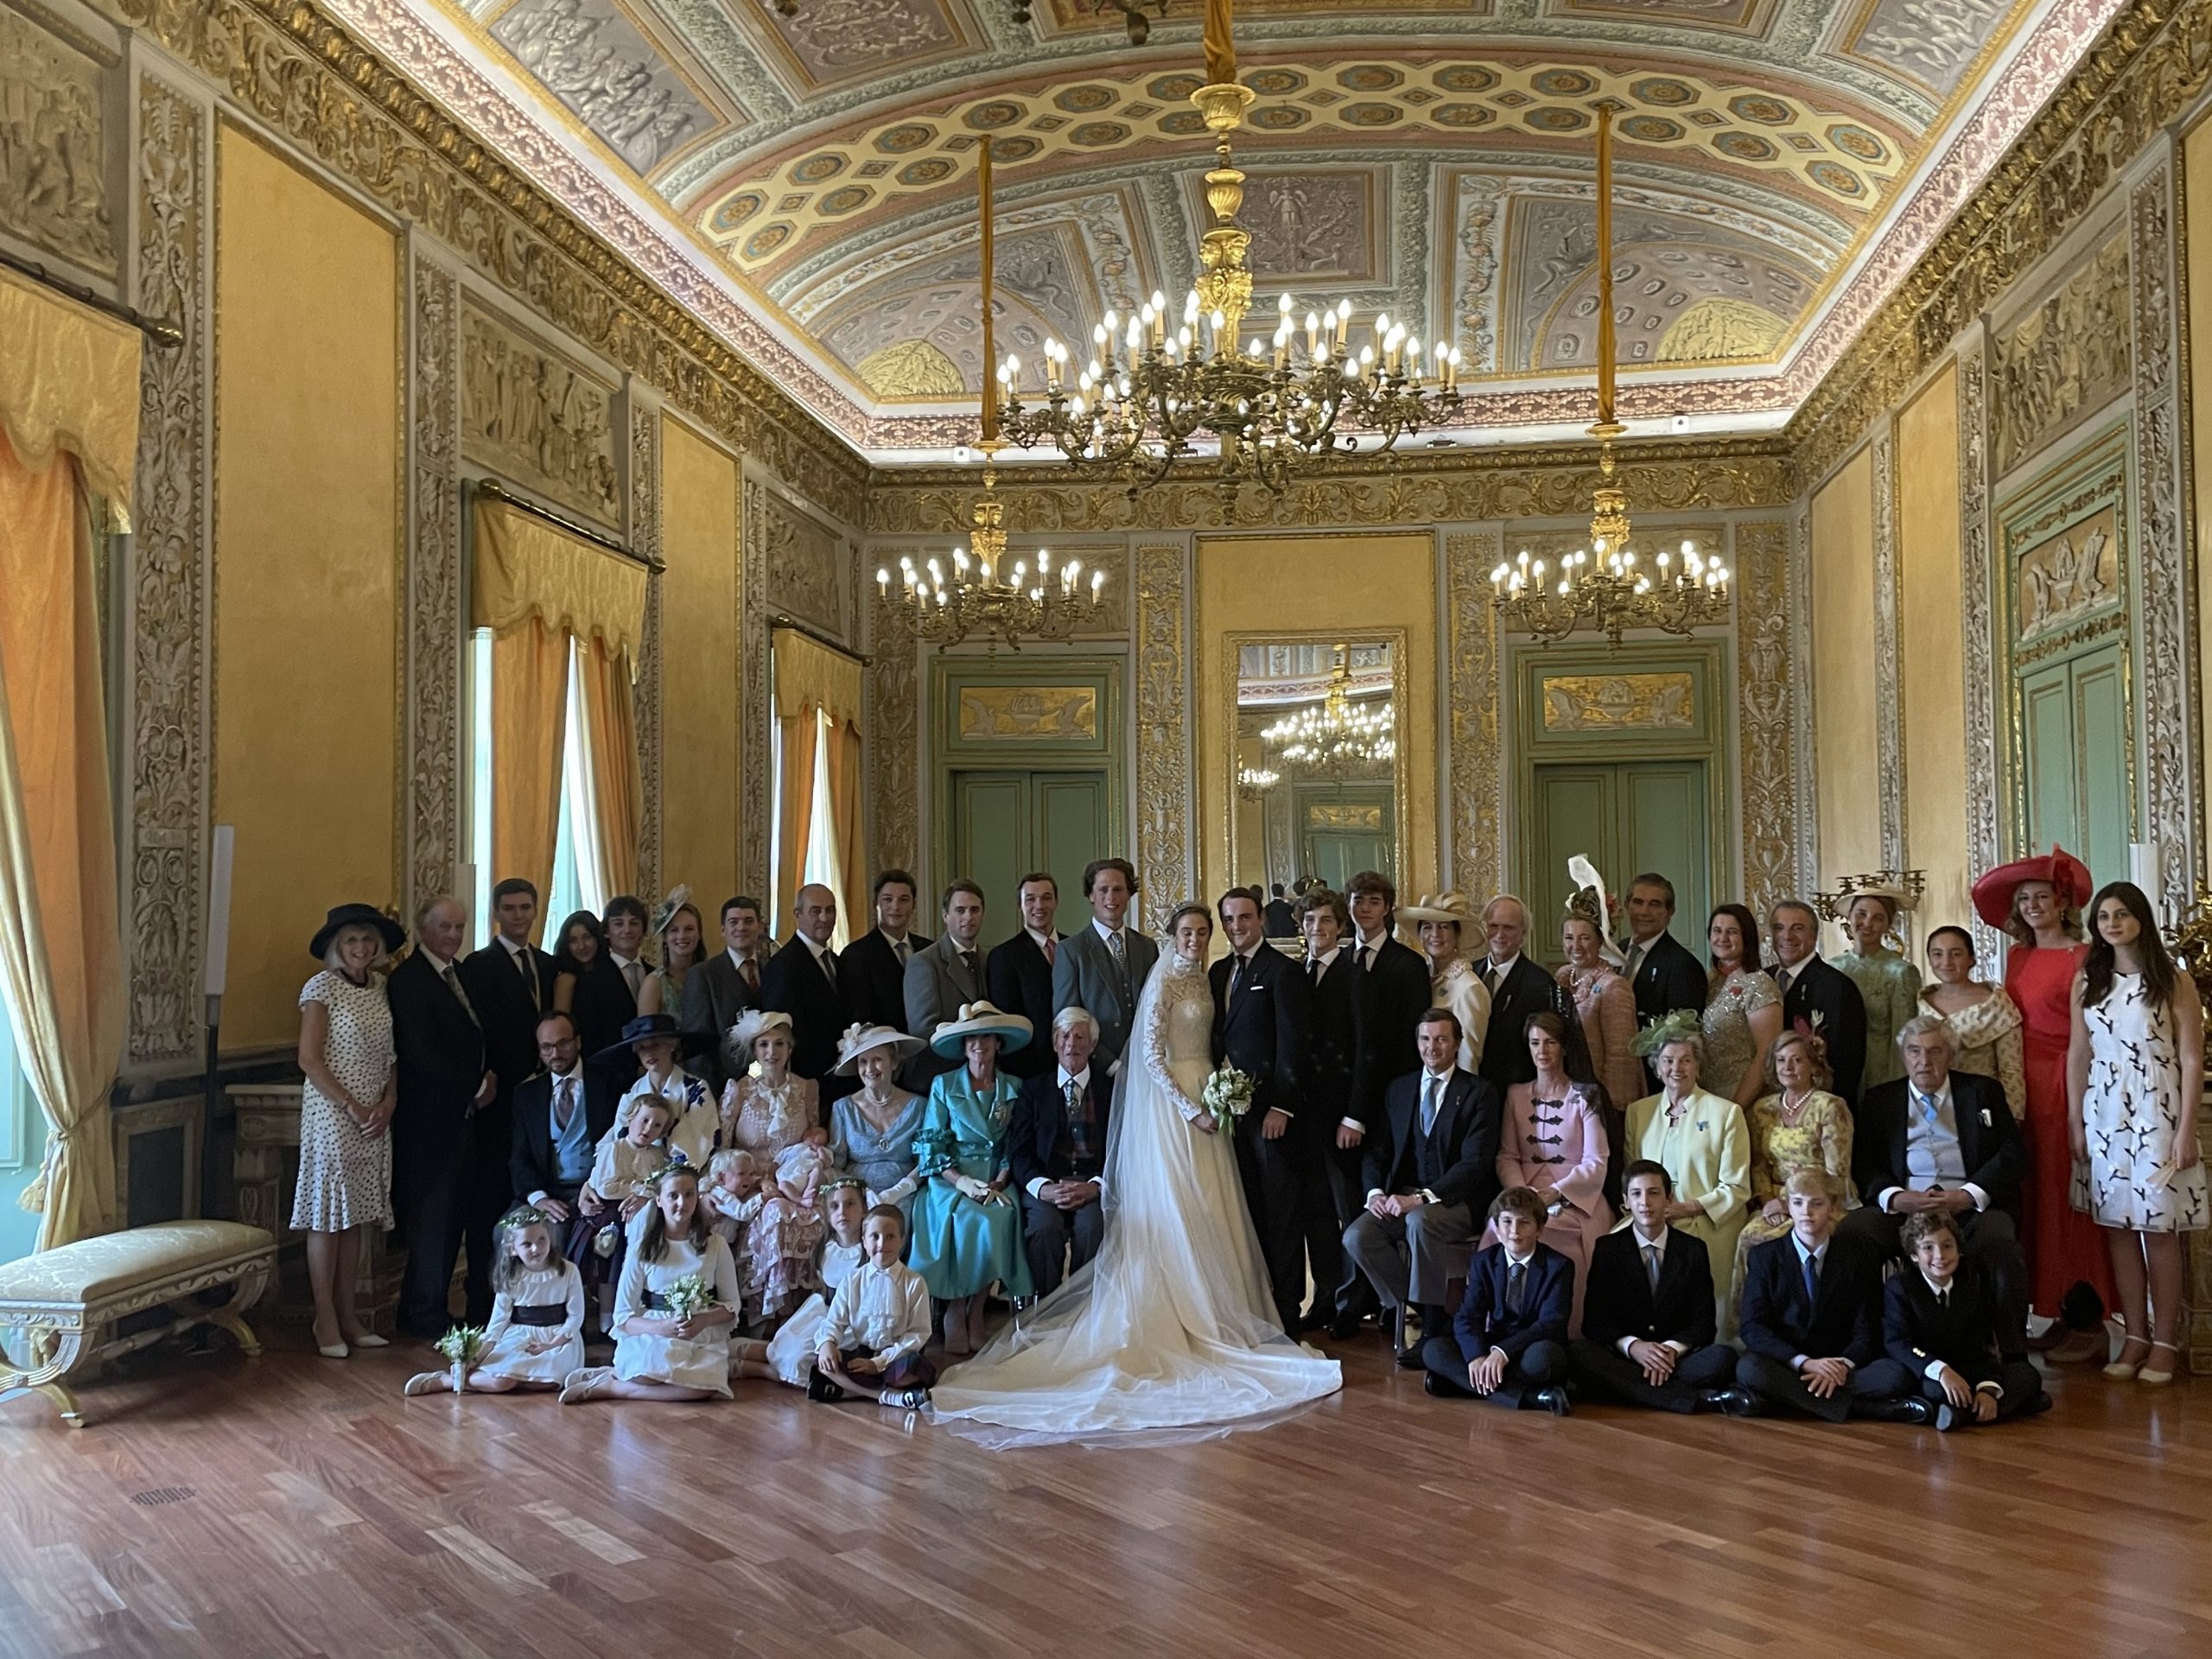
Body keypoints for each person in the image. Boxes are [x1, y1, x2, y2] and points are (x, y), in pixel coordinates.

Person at [927, 903, 1340, 1440]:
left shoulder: (1212, 976)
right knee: (1177, 1205)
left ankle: (1225, 1309)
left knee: (1213, 1207)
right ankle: (1179, 1310)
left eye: (1203, 932)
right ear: (1172, 936)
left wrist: (1219, 1093)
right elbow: (1149, 1056)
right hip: (1175, 1110)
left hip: (1210, 1099)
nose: (1195, 940)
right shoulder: (1165, 979)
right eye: (1187, 932)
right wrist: (1188, 1108)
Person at [1974, 844, 2111, 1357]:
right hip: (2018, 1083)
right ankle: (2055, 1309)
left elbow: (2086, 1037)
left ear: (2062, 903)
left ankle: (2089, 1317)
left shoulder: (2085, 955)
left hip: (2061, 1082)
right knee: (2031, 1199)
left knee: (2064, 1198)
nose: (2032, 906)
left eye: (2042, 897)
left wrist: (2076, 1110)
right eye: (2025, 899)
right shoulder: (2017, 955)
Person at [2069, 880, 2207, 1385]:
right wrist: (2075, 1121)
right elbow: (2078, 1053)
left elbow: (2191, 1057)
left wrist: (2186, 1129)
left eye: (2122, 914)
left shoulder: (2172, 979)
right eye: (2104, 916)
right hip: (2105, 1112)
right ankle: (2135, 1335)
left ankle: (2165, 1341)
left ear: (2140, 919)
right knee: (2119, 1228)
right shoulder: (2087, 980)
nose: (2113, 923)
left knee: (2158, 1228)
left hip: (2157, 1109)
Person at [1840, 1016, 2030, 1361]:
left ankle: (2012, 1356)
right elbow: (1864, 1163)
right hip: (1906, 1210)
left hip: (1968, 1207)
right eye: (1914, 1051)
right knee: (1853, 1233)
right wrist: (1895, 1197)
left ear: (1950, 1055)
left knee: (1999, 1243)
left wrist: (1969, 1195)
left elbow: (2013, 1155)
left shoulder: (1982, 1091)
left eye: (1934, 1052)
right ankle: (1864, 1346)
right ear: (1903, 1055)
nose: (1923, 1061)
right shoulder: (1881, 1099)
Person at [1343, 1008, 1502, 1364]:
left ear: (1457, 1044)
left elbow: (1475, 1164)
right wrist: (1375, 1194)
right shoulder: (1399, 1089)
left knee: (1420, 1221)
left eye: (1441, 1039)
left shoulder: (1480, 1093)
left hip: (1457, 1201)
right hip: (1402, 1197)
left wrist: (1421, 1199)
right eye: (1426, 1039)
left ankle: (1430, 1332)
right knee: (1357, 1237)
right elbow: (1378, 1150)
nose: (1432, 1047)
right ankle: (1421, 1308)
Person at [293, 904, 402, 1358]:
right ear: (337, 946)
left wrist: (388, 1102)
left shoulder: (381, 986)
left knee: (355, 1214)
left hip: (374, 1113)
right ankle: (325, 1318)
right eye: (352, 940)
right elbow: (309, 1058)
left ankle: (349, 1315)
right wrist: (351, 1105)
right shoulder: (321, 987)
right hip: (333, 1113)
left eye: (368, 939)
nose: (361, 947)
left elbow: (391, 1056)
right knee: (327, 1214)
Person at [386, 894, 496, 1338]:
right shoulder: (408, 980)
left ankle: (428, 1308)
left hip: (462, 1118)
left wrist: (487, 1076)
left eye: (459, 927)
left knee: (452, 1219)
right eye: (445, 927)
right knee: (432, 1220)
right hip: (428, 1121)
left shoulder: (459, 972)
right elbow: (418, 1051)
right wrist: (474, 1086)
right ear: (422, 928)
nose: (454, 935)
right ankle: (422, 1314)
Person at [1733, 1170, 1924, 1421]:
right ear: (1789, 1207)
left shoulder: (1856, 1257)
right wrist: (1804, 1363)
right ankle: (1864, 1408)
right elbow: (1752, 1327)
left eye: (1817, 1203)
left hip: (1838, 1362)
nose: (1806, 1212)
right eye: (1798, 1203)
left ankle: (1789, 1400)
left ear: (1832, 1207)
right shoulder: (1764, 1256)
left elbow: (1867, 1328)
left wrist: (1843, 1365)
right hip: (1790, 1362)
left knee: (1894, 1375)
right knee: (1750, 1369)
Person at [1211, 885, 1313, 1332]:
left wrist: (1283, 1107)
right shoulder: (1218, 972)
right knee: (1247, 1210)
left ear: (1261, 920)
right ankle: (1256, 1306)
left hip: (1271, 1116)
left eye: (1244, 917)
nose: (1237, 926)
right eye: (1229, 919)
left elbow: (1295, 1044)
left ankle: (1288, 1311)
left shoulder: (1282, 972)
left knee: (1281, 1213)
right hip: (1230, 1115)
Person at [560, 1159, 741, 1404]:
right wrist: (661, 1327)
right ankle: (615, 1382)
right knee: (648, 1373)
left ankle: (615, 1387)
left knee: (701, 1389)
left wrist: (703, 1320)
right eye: (673, 1196)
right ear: (659, 1200)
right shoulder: (642, 1249)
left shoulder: (715, 1244)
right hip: (654, 1330)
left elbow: (732, 1305)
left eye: (689, 1194)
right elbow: (622, 1316)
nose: (682, 1203)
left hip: (698, 1333)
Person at [909, 1001, 1033, 1355]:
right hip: (952, 1178)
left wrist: (1001, 1178)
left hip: (996, 1177)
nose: (980, 1045)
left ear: (998, 1044)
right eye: (972, 1039)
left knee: (1001, 1217)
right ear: (963, 1047)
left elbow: (1016, 1142)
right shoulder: (944, 1085)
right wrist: (961, 1182)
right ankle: (955, 1308)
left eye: (987, 1037)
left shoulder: (1015, 1086)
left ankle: (977, 1308)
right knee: (967, 1220)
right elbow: (931, 1145)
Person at [1569, 1160, 1739, 1414]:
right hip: (1627, 1357)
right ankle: (1695, 1400)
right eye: (1636, 1194)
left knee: (1723, 1358)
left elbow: (1704, 1324)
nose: (1645, 1202)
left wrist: (1670, 1351)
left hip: (1675, 1360)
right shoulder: (1608, 1248)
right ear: (1626, 1201)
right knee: (1579, 1352)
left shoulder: (1693, 1250)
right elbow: (1595, 1322)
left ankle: (1628, 1391)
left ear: (1669, 1198)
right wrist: (1634, 1347)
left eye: (1654, 1193)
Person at [460, 877, 556, 1322]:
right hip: (499, 1099)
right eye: (510, 908)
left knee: (536, 1191)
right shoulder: (478, 966)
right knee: (490, 1200)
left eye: (525, 908)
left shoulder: (548, 965)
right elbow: (477, 1032)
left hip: (542, 1098)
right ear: (497, 913)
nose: (518, 916)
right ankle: (483, 1299)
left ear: (535, 911)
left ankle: (538, 1294)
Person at [1623, 1020, 1751, 1338]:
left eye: (1686, 1060)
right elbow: (1632, 1176)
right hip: (1651, 1218)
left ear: (1698, 1066)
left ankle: (1712, 1349)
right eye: (1668, 1060)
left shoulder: (1726, 1113)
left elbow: (1737, 1187)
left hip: (1707, 1219)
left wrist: (1688, 1207)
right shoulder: (1638, 1112)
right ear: (1657, 1067)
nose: (1676, 1068)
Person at [1488, 1014, 1611, 1334]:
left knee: (1554, 1233)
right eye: (1535, 1043)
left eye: (1550, 1042)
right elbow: (1507, 1155)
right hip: (1523, 1193)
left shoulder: (1585, 1095)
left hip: (1576, 1196)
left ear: (1564, 1047)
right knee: (1496, 1231)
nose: (1542, 1051)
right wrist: (1522, 1195)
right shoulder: (1515, 1094)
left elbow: (1596, 1160)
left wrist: (1556, 1192)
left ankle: (1565, 1332)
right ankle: (1505, 1330)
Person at [1884, 1211, 2050, 1428]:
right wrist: (1941, 1370)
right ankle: (2012, 1407)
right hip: (1929, 1371)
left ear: (1958, 1250)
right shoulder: (1900, 1287)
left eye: (1947, 1246)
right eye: (1928, 1248)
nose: (1940, 1256)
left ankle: (1962, 1415)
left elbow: (1979, 1345)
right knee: (1938, 1392)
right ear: (1914, 1255)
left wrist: (1987, 1388)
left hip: (1966, 1370)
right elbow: (1897, 1342)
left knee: (2027, 1375)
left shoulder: (1971, 1284)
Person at [1420, 1187, 1573, 1413]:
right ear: (1497, 1228)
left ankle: (1462, 1384)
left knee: (1545, 1359)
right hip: (1493, 1345)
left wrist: (1502, 1352)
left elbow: (1551, 1324)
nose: (1514, 1231)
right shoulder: (1484, 1261)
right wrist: (1477, 1356)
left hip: (1530, 1346)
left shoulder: (1559, 1266)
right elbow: (1467, 1316)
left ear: (1540, 1229)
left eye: (1524, 1223)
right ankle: (1533, 1398)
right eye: (1507, 1222)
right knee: (1434, 1349)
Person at [404, 1206, 583, 1395]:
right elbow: (498, 1324)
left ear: (550, 1239)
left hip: (557, 1339)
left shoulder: (568, 1271)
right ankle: (448, 1381)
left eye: (542, 1240)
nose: (536, 1248)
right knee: (502, 1382)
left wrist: (551, 1344)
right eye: (526, 1244)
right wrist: (477, 1357)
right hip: (521, 1337)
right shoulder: (512, 1276)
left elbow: (575, 1316)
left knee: (549, 1382)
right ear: (512, 1249)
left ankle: (487, 1381)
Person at [717, 1008, 826, 1312]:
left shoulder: (806, 1088)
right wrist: (756, 1182)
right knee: (774, 1213)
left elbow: (811, 1143)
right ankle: (768, 1311)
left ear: (790, 1048)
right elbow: (723, 1150)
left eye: (779, 1044)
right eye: (763, 1045)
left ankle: (804, 1308)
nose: (771, 1052)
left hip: (795, 1182)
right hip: (749, 1185)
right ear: (754, 1050)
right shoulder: (740, 1089)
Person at [1300, 887, 1370, 1337]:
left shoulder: (1354, 974)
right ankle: (1325, 1297)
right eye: (1310, 921)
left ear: (1341, 927)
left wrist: (1355, 1115)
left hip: (1342, 1117)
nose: (1317, 928)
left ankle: (1352, 1304)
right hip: (1305, 1118)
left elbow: (1366, 1050)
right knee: (1317, 1214)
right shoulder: (1298, 972)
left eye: (1326, 920)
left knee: (1350, 1212)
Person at [1737, 1028, 1854, 1297]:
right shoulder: (1763, 1108)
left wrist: (1795, 1205)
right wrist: (1768, 1202)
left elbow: (1837, 1173)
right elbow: (1759, 1165)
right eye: (1781, 1060)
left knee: (1784, 1242)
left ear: (1814, 1066)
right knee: (1749, 1237)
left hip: (1820, 1203)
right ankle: (1750, 1319)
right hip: (1775, 1202)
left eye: (1797, 1060)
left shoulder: (1830, 1106)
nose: (1787, 1067)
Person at [1008, 1007, 1113, 1298]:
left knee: (1092, 1226)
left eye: (1080, 1037)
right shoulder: (1033, 1090)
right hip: (1046, 1183)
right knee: (1044, 1228)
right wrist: (1043, 1188)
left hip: (1092, 1184)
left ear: (1092, 1044)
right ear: (1055, 1044)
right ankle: (1048, 1307)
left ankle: (1082, 1305)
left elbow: (1122, 1148)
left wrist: (1096, 1186)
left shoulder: (1110, 1090)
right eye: (1064, 1036)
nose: (1071, 1044)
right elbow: (1019, 1151)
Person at [734, 1176, 867, 1384]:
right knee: (790, 1344)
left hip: (853, 1323)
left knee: (803, 1360)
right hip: (827, 1315)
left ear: (864, 1209)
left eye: (850, 1204)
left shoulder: (870, 1251)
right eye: (835, 1206)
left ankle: (756, 1369)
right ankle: (741, 1353)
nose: (842, 1212)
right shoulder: (826, 1249)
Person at [808, 1205, 938, 1409]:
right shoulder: (852, 1280)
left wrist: (879, 1363)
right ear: (864, 1241)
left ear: (902, 1240)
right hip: (863, 1356)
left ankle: (849, 1391)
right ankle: (890, 1397)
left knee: (915, 1367)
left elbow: (917, 1335)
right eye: (875, 1236)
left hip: (898, 1357)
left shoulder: (914, 1282)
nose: (882, 1243)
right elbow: (834, 1321)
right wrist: (828, 1342)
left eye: (890, 1237)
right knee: (824, 1363)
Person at [1051, 857, 1159, 1077]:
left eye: (1118, 889)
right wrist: (1112, 1066)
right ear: (1091, 895)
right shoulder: (1071, 951)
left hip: (1144, 1069)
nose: (1111, 897)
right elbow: (1067, 1022)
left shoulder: (1147, 947)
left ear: (1129, 894)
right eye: (1103, 890)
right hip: (1097, 1073)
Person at [508, 1011, 618, 1217]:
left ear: (578, 1042)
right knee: (508, 1232)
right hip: (548, 1193)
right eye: (546, 1047)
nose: (555, 1054)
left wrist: (598, 1184)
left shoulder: (610, 1083)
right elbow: (519, 1158)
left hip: (600, 1190)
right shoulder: (526, 1095)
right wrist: (539, 1198)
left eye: (563, 1043)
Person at [1344, 870, 1431, 1128]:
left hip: (1393, 1085)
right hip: (1346, 1086)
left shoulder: (1410, 964)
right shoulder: (1339, 960)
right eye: (1358, 900)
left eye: (1374, 901)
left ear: (1387, 908)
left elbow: (1413, 1030)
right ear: (1348, 905)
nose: (1365, 909)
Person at [1922, 925, 2027, 1127]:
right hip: (1929, 1107)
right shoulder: (1920, 1003)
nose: (1946, 962)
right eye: (1937, 954)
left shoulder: (1996, 1004)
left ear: (1971, 958)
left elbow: (2011, 1068)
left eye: (1956, 954)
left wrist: (2012, 1119)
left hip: (1981, 1103)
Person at [1766, 899, 1868, 1108]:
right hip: (1769, 1105)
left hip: (1818, 1108)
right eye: (1779, 928)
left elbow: (1847, 1064)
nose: (1787, 936)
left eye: (1797, 929)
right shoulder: (1762, 979)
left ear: (1814, 936)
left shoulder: (1837, 987)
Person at [760, 882, 853, 1099]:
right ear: (797, 914)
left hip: (842, 1083)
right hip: (806, 1086)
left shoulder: (837, 961)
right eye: (815, 911)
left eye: (830, 910)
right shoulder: (783, 965)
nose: (824, 918)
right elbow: (781, 1033)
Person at [826, 1022, 928, 1214]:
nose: (870, 1068)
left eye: (877, 1060)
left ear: (894, 1062)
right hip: (857, 1198)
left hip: (907, 1193)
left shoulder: (919, 1106)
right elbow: (835, 1165)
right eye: (863, 1062)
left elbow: (925, 1160)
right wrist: (861, 1192)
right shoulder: (843, 1108)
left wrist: (898, 1191)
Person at [1830, 887, 1923, 1094]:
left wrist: (1895, 1091)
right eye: (1861, 914)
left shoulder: (1900, 972)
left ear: (1888, 925)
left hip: (1880, 1074)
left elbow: (1904, 1037)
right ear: (1849, 917)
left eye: (1878, 918)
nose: (1867, 923)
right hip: (1838, 1072)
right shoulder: (1833, 968)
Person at [1621, 873, 1711, 1084]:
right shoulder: (1615, 952)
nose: (1644, 912)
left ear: (1670, 911)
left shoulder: (1683, 965)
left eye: (1654, 904)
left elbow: (1684, 1039)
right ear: (1627, 906)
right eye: (1638, 902)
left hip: (1654, 1081)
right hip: (1616, 1073)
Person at [1560, 898, 1640, 1130]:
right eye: (1569, 937)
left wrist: (1607, 1112)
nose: (1576, 945)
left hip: (1599, 1106)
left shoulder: (1613, 986)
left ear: (1600, 941)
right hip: (1566, 1098)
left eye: (1585, 938)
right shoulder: (1561, 978)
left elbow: (1620, 1060)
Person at [605, 1011, 716, 1167]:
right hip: (636, 1175)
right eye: (642, 1048)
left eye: (655, 1044)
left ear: (672, 1044)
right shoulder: (630, 1096)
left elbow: (694, 1149)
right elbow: (622, 1147)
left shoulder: (696, 1090)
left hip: (685, 1175)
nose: (649, 1053)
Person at [678, 895, 766, 1094]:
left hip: (768, 1085)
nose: (741, 927)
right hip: (723, 1088)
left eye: (749, 921)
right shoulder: (703, 975)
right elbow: (697, 1046)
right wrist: (709, 1095)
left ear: (760, 927)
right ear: (723, 930)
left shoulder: (771, 969)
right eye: (734, 922)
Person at [905, 879, 989, 1084]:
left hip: (985, 1075)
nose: (968, 917)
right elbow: (924, 1031)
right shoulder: (924, 962)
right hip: (939, 1078)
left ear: (983, 914)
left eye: (974, 910)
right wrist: (972, 1052)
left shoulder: (990, 959)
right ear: (946, 916)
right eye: (960, 910)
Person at [1399, 893, 1491, 1075]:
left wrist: (1459, 1092)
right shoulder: (1419, 977)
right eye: (1427, 927)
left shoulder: (1469, 987)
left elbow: (1469, 1057)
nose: (1435, 935)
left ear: (1457, 935)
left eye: (1444, 927)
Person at [1474, 894, 1557, 1093]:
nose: (1499, 935)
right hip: (1472, 1091)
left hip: (1517, 1092)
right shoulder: (1469, 974)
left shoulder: (1540, 983)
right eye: (1493, 926)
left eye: (1508, 928)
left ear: (1523, 934)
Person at [1701, 904, 1782, 1107]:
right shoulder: (1711, 981)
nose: (1722, 938)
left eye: (1732, 932)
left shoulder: (1759, 984)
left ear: (1747, 937)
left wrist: (1737, 1106)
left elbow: (1766, 1052)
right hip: (1707, 1096)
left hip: (1742, 1094)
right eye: (1717, 931)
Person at [986, 871, 1062, 1080]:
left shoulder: (1074, 948)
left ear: (1056, 901)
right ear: (1020, 905)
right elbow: (1007, 1022)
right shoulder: (1003, 956)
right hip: (1029, 1072)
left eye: (1046, 897)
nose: (1039, 905)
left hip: (1077, 1065)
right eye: (1030, 899)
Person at [838, 869, 930, 1035]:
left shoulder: (929, 950)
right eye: (888, 899)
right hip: (883, 1045)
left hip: (927, 1044)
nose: (895, 907)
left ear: (913, 906)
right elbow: (858, 1016)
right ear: (876, 903)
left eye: (904, 900)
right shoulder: (856, 955)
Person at [550, 909, 632, 1065]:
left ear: (597, 938)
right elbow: (561, 1030)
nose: (581, 946)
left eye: (587, 937)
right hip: (586, 1061)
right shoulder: (567, 979)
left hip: (621, 1055)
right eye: (573, 941)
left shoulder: (613, 968)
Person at [637, 887, 706, 1018]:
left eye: (689, 929)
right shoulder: (654, 984)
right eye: (674, 930)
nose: (682, 936)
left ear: (699, 934)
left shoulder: (709, 978)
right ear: (665, 938)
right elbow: (646, 1030)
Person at [601, 895, 650, 1016]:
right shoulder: (593, 976)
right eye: (618, 924)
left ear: (644, 930)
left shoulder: (655, 974)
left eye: (634, 923)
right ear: (607, 931)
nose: (627, 930)